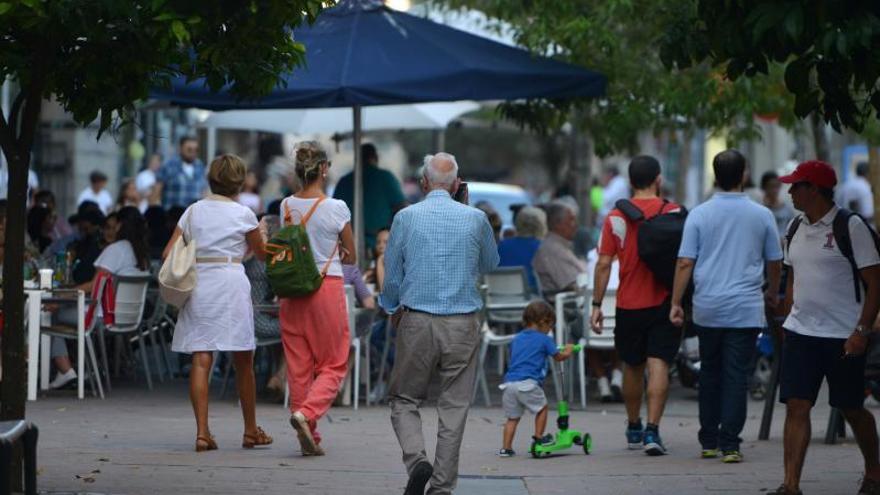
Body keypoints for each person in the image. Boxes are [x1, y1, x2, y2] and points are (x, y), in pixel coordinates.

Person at [380, 152, 498, 495]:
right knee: (454, 406)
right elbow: (490, 263)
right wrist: (470, 213)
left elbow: (393, 275)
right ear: (458, 184)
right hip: (462, 324)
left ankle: (417, 461)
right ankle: (442, 487)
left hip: (417, 319)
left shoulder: (405, 217)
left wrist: (391, 307)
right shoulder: (476, 218)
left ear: (423, 183)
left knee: (404, 398)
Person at [773, 160, 880, 495]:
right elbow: (792, 280)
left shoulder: (851, 227)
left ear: (815, 189)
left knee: (851, 408)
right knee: (796, 405)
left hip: (843, 337)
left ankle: (874, 470)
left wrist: (862, 331)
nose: (790, 192)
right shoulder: (795, 227)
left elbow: (875, 284)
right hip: (802, 334)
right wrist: (787, 321)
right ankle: (791, 485)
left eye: (796, 186)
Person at [670, 149, 782, 464]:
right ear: (744, 174)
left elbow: (684, 262)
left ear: (716, 176)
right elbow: (775, 261)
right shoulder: (762, 215)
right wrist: (772, 292)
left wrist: (676, 302)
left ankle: (708, 440)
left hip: (708, 308)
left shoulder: (699, 214)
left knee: (711, 372)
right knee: (736, 375)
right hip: (745, 309)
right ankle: (730, 444)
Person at [166, 154, 273, 453]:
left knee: (201, 358)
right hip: (231, 281)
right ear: (239, 183)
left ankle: (202, 432)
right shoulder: (244, 213)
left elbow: (168, 253)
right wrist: (261, 234)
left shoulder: (193, 211)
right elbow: (262, 254)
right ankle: (250, 430)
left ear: (210, 179)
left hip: (200, 283)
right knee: (243, 361)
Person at [592, 155, 682, 455]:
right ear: (658, 179)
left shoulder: (616, 217)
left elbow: (604, 264)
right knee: (659, 363)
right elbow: (685, 261)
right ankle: (653, 433)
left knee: (632, 365)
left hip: (629, 303)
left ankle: (634, 426)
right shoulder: (674, 212)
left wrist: (595, 304)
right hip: (665, 301)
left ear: (630, 182)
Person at [278, 141, 356, 457]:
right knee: (335, 362)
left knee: (299, 366)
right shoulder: (336, 207)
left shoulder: (286, 206)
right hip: (326, 288)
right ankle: (307, 415)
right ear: (323, 169)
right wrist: (339, 250)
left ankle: (308, 436)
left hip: (292, 291)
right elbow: (351, 257)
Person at [50, 206, 151, 389]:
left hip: (101, 316)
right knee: (59, 310)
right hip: (126, 316)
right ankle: (79, 369)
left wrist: (60, 298)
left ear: (120, 225)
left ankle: (65, 370)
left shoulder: (116, 250)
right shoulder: (140, 254)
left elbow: (94, 285)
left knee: (48, 314)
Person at [498, 301, 574, 457]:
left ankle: (506, 448)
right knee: (542, 408)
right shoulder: (544, 340)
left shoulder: (517, 338)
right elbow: (559, 357)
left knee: (512, 418)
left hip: (509, 384)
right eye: (550, 326)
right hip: (528, 383)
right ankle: (539, 438)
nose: (549, 330)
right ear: (543, 321)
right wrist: (568, 350)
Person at [332, 143, 406, 251]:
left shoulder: (344, 182)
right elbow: (402, 208)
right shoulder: (386, 177)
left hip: (348, 245)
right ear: (375, 158)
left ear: (357, 159)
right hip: (381, 245)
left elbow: (334, 215)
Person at [532, 201, 587, 294]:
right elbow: (573, 284)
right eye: (571, 219)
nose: (575, 224)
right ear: (557, 224)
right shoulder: (552, 249)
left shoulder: (558, 246)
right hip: (568, 304)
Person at [498, 206, 546, 292]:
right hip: (532, 299)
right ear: (541, 226)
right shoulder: (542, 248)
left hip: (499, 298)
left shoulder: (501, 246)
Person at [157, 136, 208, 209]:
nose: (193, 152)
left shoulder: (200, 166)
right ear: (180, 149)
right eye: (189, 149)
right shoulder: (168, 166)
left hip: (194, 217)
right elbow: (156, 192)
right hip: (172, 217)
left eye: (196, 150)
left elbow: (204, 191)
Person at [761, 171, 796, 237]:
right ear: (764, 187)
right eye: (771, 186)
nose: (775, 190)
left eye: (777, 186)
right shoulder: (760, 210)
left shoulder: (787, 209)